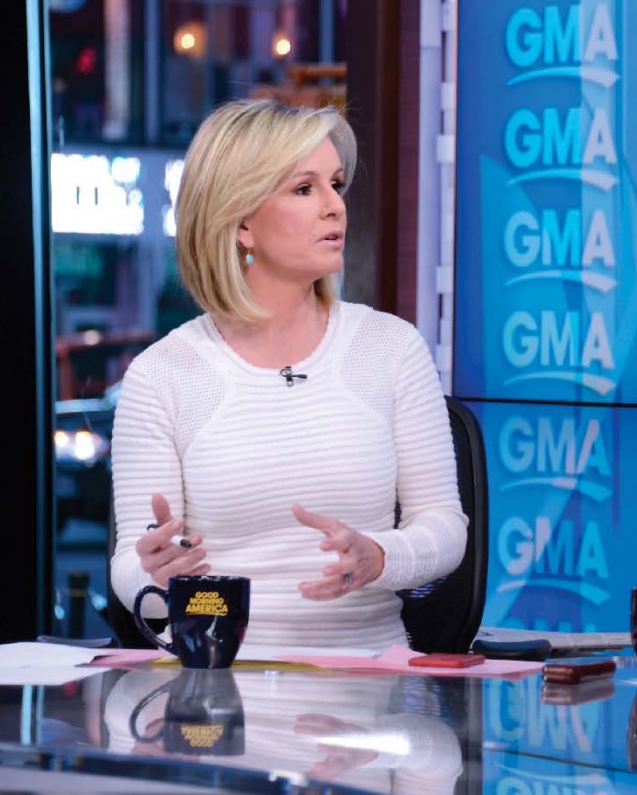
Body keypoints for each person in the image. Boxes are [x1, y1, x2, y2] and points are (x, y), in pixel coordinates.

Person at [110, 98, 468, 648]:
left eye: (336, 184)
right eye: (305, 189)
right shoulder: (163, 375)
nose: (335, 207)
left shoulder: (391, 348)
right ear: (242, 223)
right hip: (216, 689)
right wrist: (158, 582)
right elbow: (133, 570)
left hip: (370, 685)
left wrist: (379, 557)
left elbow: (444, 527)